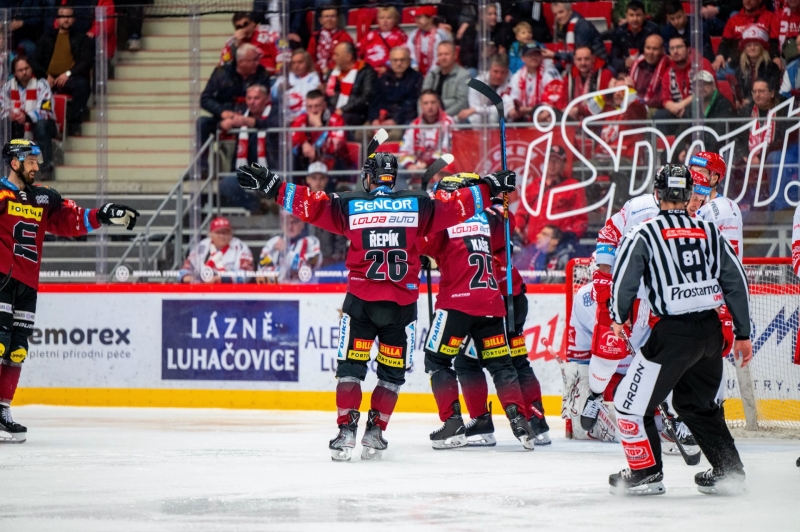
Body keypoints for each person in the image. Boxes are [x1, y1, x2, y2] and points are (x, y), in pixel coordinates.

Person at [235, 152, 516, 461]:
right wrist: (489, 187)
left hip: (361, 304)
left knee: (351, 371)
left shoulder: (350, 204)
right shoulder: (417, 204)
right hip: (400, 308)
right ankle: (375, 432)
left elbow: (311, 206)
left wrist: (273, 185)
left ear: (368, 177)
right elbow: (457, 206)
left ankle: (345, 433)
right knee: (390, 376)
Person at [607, 164, 752, 496]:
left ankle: (645, 473)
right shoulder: (709, 231)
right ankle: (729, 471)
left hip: (673, 334)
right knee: (696, 405)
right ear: (689, 196)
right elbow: (736, 281)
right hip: (711, 333)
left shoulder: (644, 232)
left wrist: (618, 316)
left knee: (630, 405)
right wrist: (742, 333)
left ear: (657, 195)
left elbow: (623, 281)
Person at [0, 139, 138, 443]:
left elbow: (69, 222)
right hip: (1, 280)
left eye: (38, 161)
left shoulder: (43, 198)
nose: (37, 167)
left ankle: (2, 410)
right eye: (32, 161)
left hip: (27, 284)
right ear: (15, 163)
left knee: (17, 350)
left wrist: (102, 215)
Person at [417, 175, 537, 450]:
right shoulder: (485, 217)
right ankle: (521, 422)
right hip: (492, 304)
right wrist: (498, 197)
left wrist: (428, 212)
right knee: (501, 366)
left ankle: (453, 425)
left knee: (436, 361)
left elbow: (423, 243)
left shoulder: (444, 218)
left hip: (456, 304)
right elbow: (506, 226)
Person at [198, 44, 271, 156]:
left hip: (250, 118)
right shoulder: (221, 73)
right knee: (202, 123)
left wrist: (242, 118)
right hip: (223, 117)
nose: (258, 63)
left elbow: (265, 101)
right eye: (254, 60)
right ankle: (203, 169)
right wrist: (222, 112)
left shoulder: (262, 74)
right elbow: (205, 99)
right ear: (241, 62)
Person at [31, 5, 92, 137]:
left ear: (74, 19)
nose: (66, 19)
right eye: (62, 16)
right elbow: (35, 61)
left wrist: (67, 74)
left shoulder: (82, 39)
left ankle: (74, 124)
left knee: (82, 85)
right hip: (47, 79)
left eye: (69, 16)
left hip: (70, 78)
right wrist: (46, 75)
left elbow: (86, 62)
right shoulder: (46, 38)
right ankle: (40, 126)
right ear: (57, 19)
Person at [514, 146, 588, 246]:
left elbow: (581, 219)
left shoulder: (573, 187)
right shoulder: (533, 186)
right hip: (533, 246)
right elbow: (521, 214)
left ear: (564, 164)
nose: (552, 165)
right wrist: (517, 228)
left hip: (558, 246)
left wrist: (569, 237)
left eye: (557, 161)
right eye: (549, 160)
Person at [2, 57, 56, 180]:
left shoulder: (42, 84)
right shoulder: (8, 87)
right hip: (16, 123)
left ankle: (46, 168)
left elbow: (46, 109)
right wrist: (10, 114)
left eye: (26, 68)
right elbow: (2, 107)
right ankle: (7, 169)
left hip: (42, 123)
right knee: (4, 127)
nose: (24, 72)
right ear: (15, 73)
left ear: (31, 68)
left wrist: (26, 117)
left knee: (42, 126)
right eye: (20, 70)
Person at [654, 37, 714, 134]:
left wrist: (682, 105)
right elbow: (665, 98)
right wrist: (674, 107)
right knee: (660, 116)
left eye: (679, 47)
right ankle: (661, 148)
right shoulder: (668, 70)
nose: (675, 51)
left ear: (688, 49)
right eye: (672, 48)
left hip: (701, 108)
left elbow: (704, 91)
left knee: (689, 115)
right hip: (678, 111)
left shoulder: (702, 64)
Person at [691, 152, 745, 260]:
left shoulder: (723, 209)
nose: (694, 176)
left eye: (700, 172)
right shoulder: (684, 202)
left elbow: (729, 259)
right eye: (691, 171)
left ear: (714, 178)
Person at [369, 46, 424, 141]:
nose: (399, 63)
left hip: (402, 120)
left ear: (409, 61)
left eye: (402, 60)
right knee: (360, 133)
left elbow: (412, 105)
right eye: (395, 60)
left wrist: (395, 120)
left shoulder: (417, 78)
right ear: (390, 62)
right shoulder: (383, 78)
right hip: (381, 119)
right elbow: (374, 101)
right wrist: (374, 119)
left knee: (393, 136)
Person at [179, 217, 254, 284]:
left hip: (231, 292)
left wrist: (223, 279)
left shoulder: (240, 247)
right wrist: (191, 278)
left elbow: (247, 273)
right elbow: (185, 269)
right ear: (211, 234)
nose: (222, 236)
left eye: (225, 232)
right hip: (203, 289)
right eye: (218, 232)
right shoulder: (202, 246)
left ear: (231, 234)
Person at [291, 89, 349, 171]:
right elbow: (291, 138)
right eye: (309, 107)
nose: (313, 110)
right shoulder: (302, 118)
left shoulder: (336, 119)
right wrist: (304, 143)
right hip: (308, 162)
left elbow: (336, 146)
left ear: (324, 105)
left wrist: (318, 127)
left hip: (332, 163)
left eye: (317, 106)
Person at [713, 0, 778, 72]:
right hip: (736, 64)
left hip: (761, 66)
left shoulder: (771, 17)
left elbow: (774, 42)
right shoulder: (733, 20)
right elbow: (725, 42)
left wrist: (775, 57)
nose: (747, 1)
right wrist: (720, 55)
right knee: (715, 72)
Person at [259, 212, 322, 284]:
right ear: (281, 224)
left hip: (304, 293)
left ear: (302, 223)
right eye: (286, 222)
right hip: (277, 293)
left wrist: (285, 252)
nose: (290, 226)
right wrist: (286, 272)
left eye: (294, 222)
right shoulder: (272, 243)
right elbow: (262, 273)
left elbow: (303, 271)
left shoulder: (312, 243)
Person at [398, 90, 454, 172]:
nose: (430, 106)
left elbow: (448, 151)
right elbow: (404, 150)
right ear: (421, 105)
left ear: (438, 103)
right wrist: (410, 165)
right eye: (426, 103)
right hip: (417, 166)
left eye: (433, 102)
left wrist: (427, 164)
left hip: (439, 166)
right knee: (397, 170)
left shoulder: (448, 123)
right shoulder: (414, 125)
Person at [508, 42, 564, 122]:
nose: (534, 57)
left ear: (542, 56)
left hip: (546, 117)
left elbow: (555, 100)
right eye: (530, 55)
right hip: (523, 118)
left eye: (537, 54)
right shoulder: (517, 76)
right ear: (523, 58)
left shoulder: (551, 73)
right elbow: (511, 98)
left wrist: (530, 110)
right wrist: (512, 110)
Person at [324, 41, 377, 127]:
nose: (333, 58)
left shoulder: (366, 72)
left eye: (337, 55)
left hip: (356, 114)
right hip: (333, 111)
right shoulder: (332, 73)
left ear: (348, 57)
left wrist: (344, 109)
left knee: (341, 120)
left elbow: (366, 97)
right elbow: (328, 97)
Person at [734, 24, 782, 107]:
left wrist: (751, 101)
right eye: (749, 45)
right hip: (745, 107)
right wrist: (738, 100)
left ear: (762, 48)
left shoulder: (772, 67)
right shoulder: (740, 68)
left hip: (767, 106)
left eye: (756, 45)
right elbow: (739, 89)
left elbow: (771, 91)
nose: (752, 48)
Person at [458, 54, 512, 125]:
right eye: (496, 71)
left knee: (494, 117)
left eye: (502, 72)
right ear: (489, 69)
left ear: (507, 71)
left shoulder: (512, 81)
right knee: (474, 118)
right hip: (479, 120)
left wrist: (476, 110)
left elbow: (504, 108)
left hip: (504, 121)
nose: (499, 76)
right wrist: (475, 110)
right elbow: (474, 108)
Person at [609, 0, 660, 75]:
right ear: (626, 16)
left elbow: (658, 55)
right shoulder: (619, 32)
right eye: (631, 15)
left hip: (648, 68)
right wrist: (624, 63)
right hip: (626, 69)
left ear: (644, 16)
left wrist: (638, 62)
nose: (635, 19)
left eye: (638, 15)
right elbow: (614, 58)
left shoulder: (653, 30)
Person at [421, 42, 471, 118]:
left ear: (455, 55)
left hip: (453, 117)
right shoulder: (432, 75)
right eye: (440, 55)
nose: (443, 58)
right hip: (430, 117)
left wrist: (442, 117)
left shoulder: (463, 75)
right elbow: (422, 98)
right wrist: (423, 116)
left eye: (446, 54)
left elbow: (462, 103)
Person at [271, 49, 321, 123]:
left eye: (300, 62)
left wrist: (300, 117)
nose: (296, 66)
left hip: (306, 119)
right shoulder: (285, 77)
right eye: (293, 63)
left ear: (307, 63)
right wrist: (279, 89)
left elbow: (314, 102)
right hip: (284, 121)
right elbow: (271, 97)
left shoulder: (314, 78)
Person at [565, 46, 613, 122]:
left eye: (586, 59)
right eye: (579, 59)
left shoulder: (604, 74)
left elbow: (602, 105)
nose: (583, 63)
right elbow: (562, 100)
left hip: (598, 123)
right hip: (574, 122)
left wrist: (579, 110)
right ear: (574, 60)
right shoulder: (569, 76)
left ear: (593, 58)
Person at [357, 6, 407, 75]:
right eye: (382, 18)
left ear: (395, 19)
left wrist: (388, 67)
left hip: (389, 73)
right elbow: (358, 51)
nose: (385, 21)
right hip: (367, 72)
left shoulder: (400, 35)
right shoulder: (371, 35)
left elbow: (403, 56)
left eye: (389, 18)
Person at [307, 8, 353, 80]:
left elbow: (347, 59)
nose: (329, 19)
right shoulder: (315, 36)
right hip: (317, 76)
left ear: (337, 19)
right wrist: (317, 71)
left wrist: (329, 71)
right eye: (326, 17)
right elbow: (310, 58)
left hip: (338, 75)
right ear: (320, 20)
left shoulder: (345, 36)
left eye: (332, 16)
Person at [629, 34, 669, 112]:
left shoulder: (668, 67)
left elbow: (661, 98)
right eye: (648, 48)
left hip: (655, 108)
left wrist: (641, 103)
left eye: (655, 49)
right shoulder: (637, 65)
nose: (650, 52)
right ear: (644, 48)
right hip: (635, 105)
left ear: (662, 50)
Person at [407, 5, 451, 76]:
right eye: (416, 17)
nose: (417, 20)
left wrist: (431, 74)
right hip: (418, 73)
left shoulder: (440, 34)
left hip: (438, 73)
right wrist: (414, 65)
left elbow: (443, 55)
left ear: (430, 18)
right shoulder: (414, 34)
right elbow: (409, 51)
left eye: (420, 17)